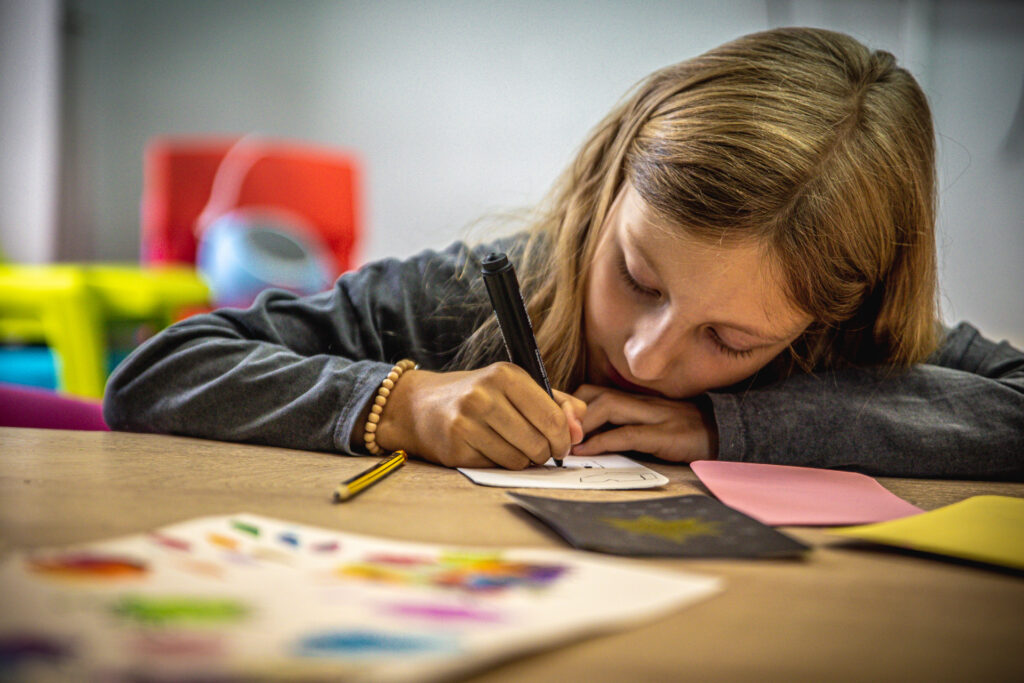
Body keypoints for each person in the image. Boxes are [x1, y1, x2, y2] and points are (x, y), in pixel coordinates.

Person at [104, 27, 1024, 481]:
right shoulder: (466, 294)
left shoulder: (850, 335)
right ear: (608, 182)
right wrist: (404, 402)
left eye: (732, 341)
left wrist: (734, 426)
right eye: (638, 278)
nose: (646, 356)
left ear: (832, 316)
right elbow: (159, 371)